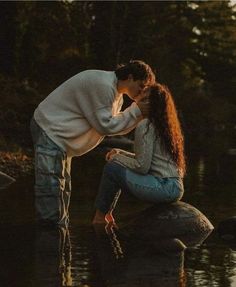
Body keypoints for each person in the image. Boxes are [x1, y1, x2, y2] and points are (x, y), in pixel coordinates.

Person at [30, 60, 155, 227]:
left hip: (60, 138)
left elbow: (114, 126)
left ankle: (60, 243)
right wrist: (137, 111)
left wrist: (137, 113)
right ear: (130, 77)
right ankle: (50, 245)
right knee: (51, 192)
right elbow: (105, 125)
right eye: (142, 85)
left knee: (63, 189)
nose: (142, 91)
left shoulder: (116, 95)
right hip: (50, 130)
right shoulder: (103, 85)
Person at [93, 83, 186, 225]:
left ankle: (100, 219)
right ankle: (108, 215)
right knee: (116, 165)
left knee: (112, 168)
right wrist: (121, 153)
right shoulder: (166, 126)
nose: (137, 103)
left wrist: (116, 158)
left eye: (144, 100)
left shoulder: (145, 125)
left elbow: (142, 166)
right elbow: (147, 159)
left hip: (162, 187)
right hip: (175, 187)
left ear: (152, 104)